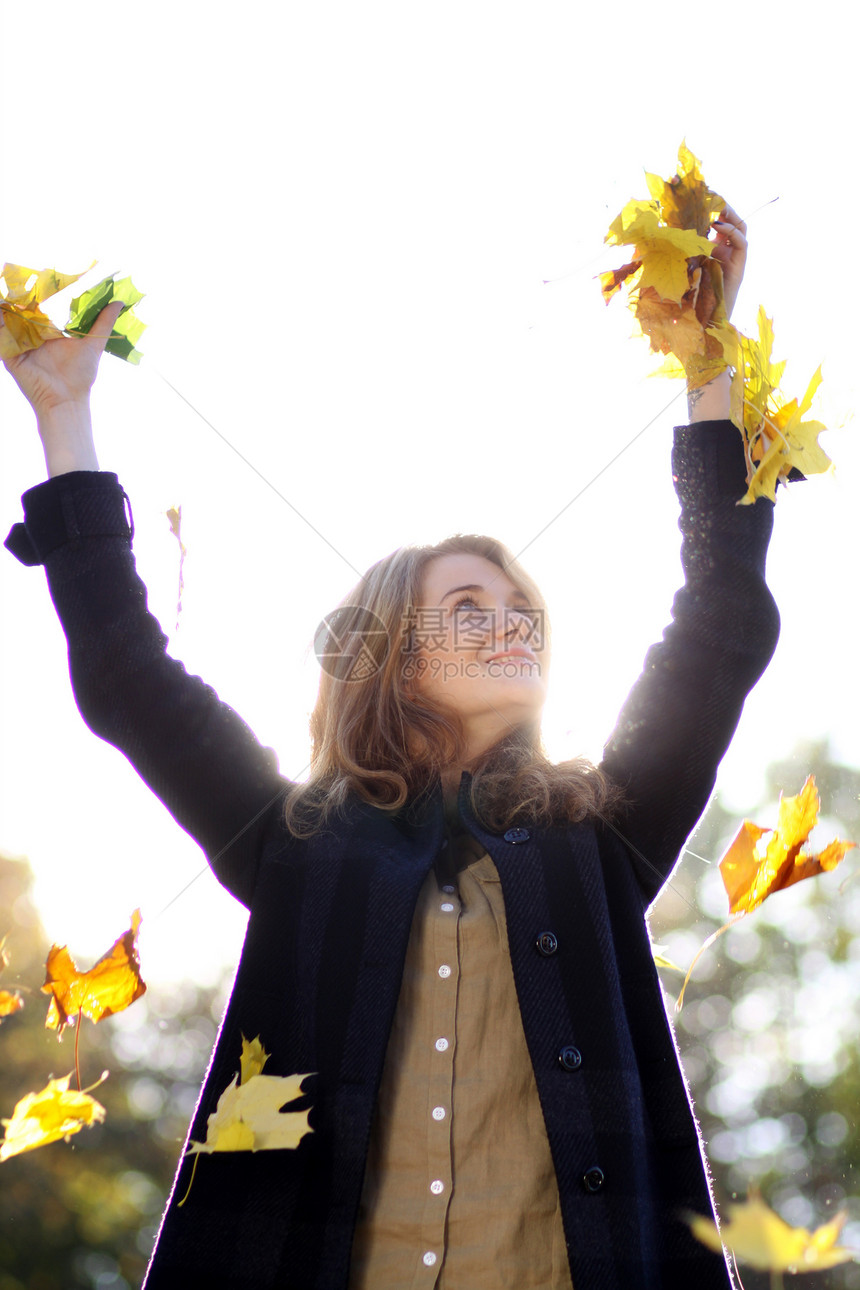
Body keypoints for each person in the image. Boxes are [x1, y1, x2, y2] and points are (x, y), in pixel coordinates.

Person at [3, 209, 778, 1289]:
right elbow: (132, 680)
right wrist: (65, 422)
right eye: (467, 605)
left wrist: (706, 369)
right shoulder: (296, 844)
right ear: (389, 659)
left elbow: (718, 627)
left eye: (522, 610)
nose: (510, 623)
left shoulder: (601, 833)